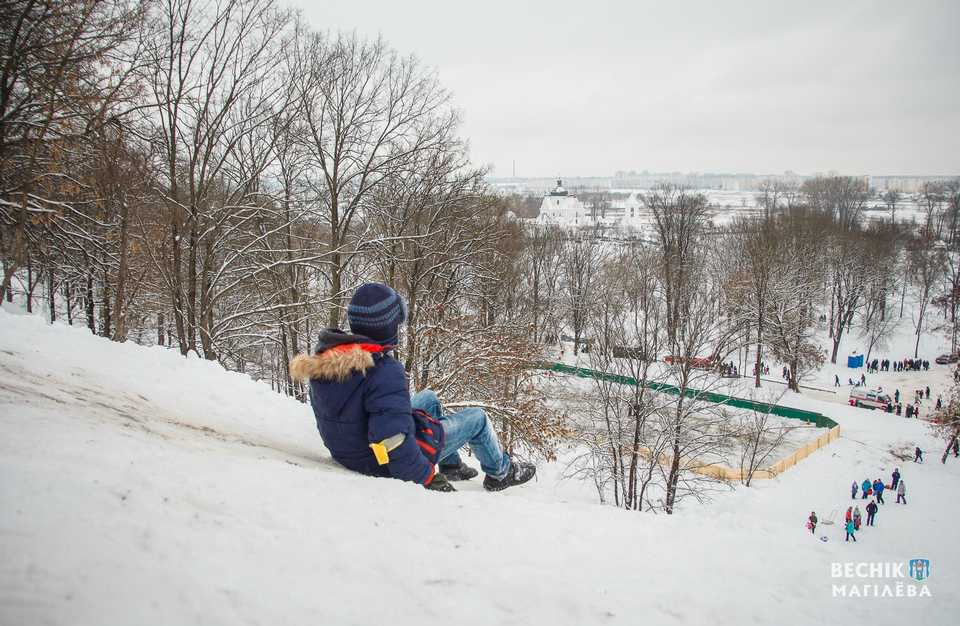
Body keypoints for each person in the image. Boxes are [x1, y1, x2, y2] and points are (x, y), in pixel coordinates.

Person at [290, 282, 536, 493]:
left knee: (429, 398)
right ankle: (500, 473)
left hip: (349, 448)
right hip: (379, 462)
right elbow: (392, 440)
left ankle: (452, 466)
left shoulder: (330, 359)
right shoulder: (384, 371)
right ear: (387, 326)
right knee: (477, 419)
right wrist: (427, 477)